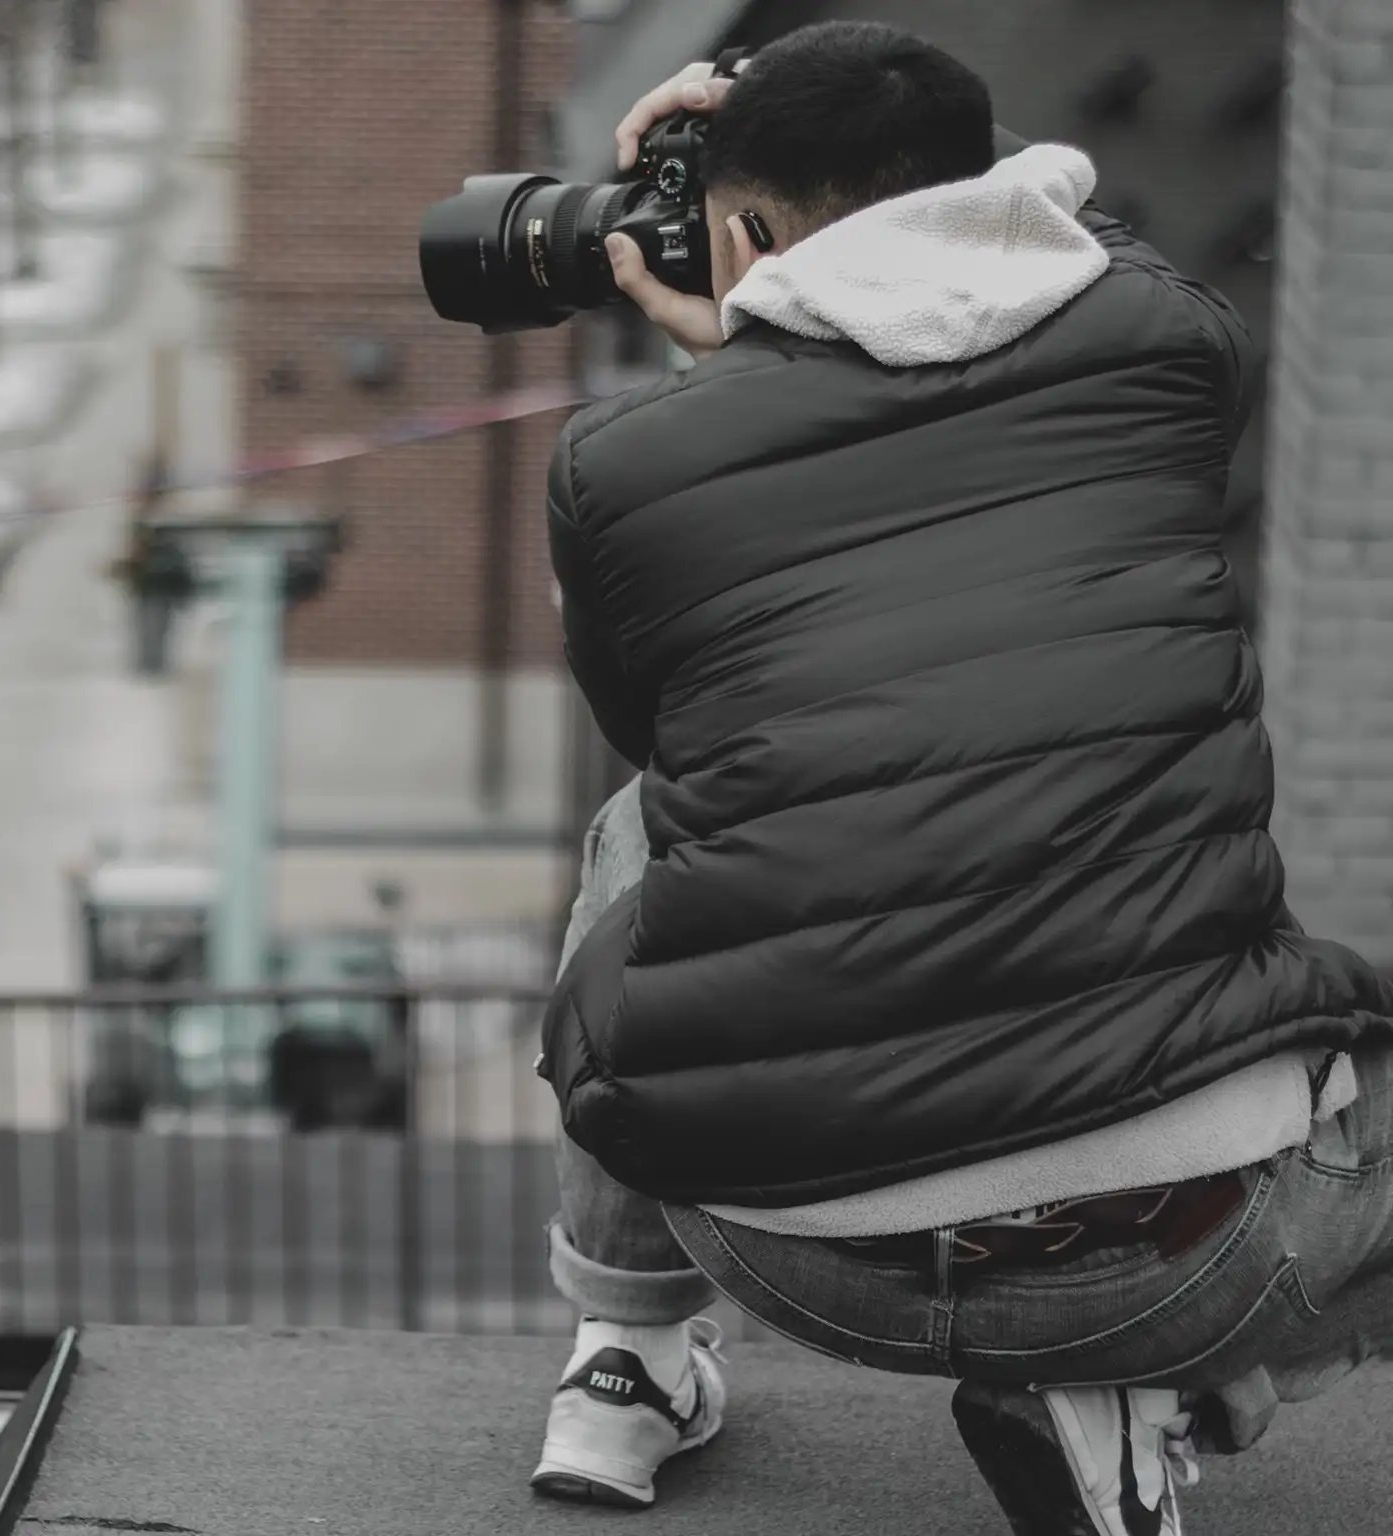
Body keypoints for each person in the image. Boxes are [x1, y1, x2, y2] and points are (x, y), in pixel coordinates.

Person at [528, 23, 1393, 1535]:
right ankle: (1172, 1382)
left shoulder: (625, 466)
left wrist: (743, 335)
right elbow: (1050, 265)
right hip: (1204, 1240)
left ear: (738, 230)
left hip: (791, 1244)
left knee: (642, 827)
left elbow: (662, 723)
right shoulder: (1174, 351)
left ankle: (628, 1361)